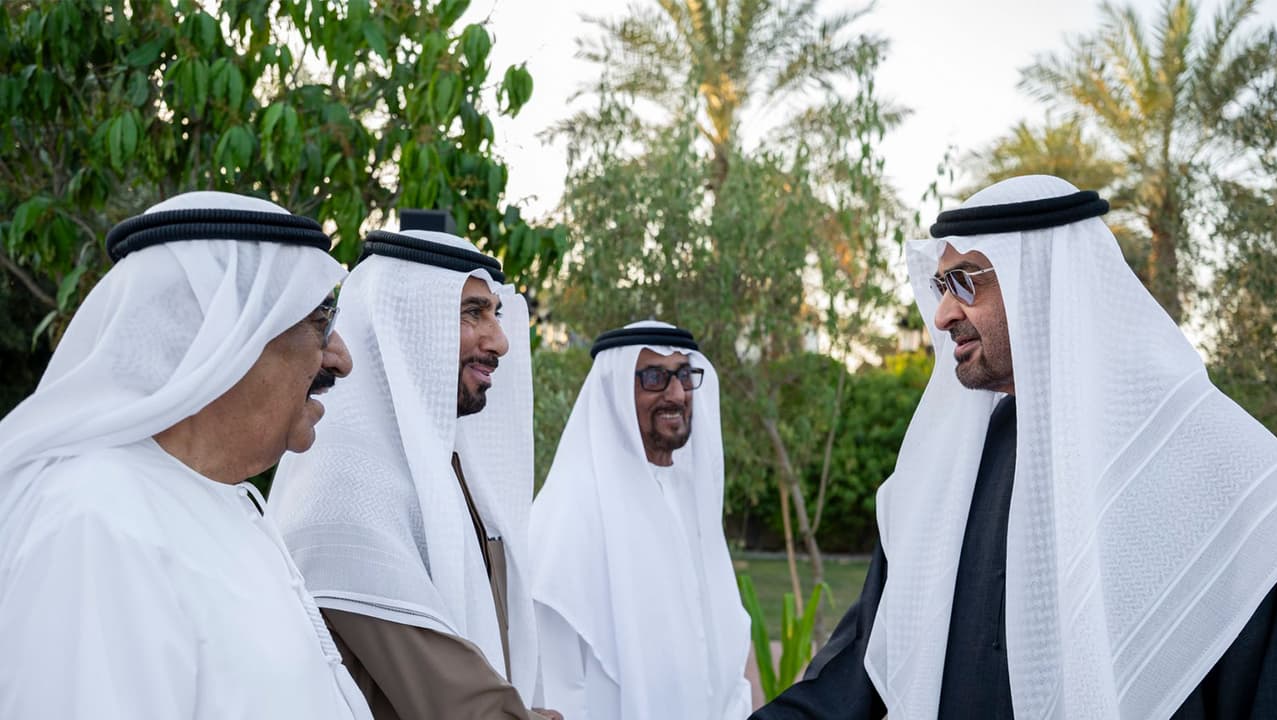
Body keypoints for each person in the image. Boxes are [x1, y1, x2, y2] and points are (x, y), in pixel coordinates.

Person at [752, 174, 1277, 719]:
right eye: (941, 286)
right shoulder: (950, 470)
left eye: (965, 282)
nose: (942, 315)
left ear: (1044, 280)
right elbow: (853, 678)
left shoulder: (1228, 469)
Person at [0, 192, 372, 720]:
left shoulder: (219, 500)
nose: (341, 358)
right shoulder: (98, 522)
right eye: (320, 323)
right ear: (227, 338)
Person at [269, 222, 557, 719]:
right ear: (406, 321)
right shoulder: (343, 490)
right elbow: (454, 703)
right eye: (472, 313)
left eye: (495, 313)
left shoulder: (448, 473)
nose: (500, 341)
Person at [530, 321, 752, 720]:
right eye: (653, 377)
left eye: (683, 375)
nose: (676, 393)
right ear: (613, 392)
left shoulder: (690, 496)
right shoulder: (571, 508)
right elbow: (556, 680)